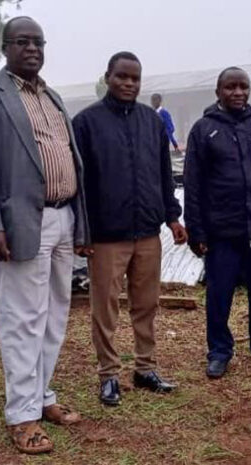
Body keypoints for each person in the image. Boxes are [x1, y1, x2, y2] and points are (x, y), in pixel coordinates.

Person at [0, 16, 90, 455]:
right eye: (22, 41)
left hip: (64, 218)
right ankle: (21, 414)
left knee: (54, 315)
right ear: (5, 47)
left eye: (38, 42)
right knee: (22, 320)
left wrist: (81, 222)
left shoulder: (52, 97)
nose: (31, 48)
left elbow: (70, 159)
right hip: (20, 224)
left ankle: (42, 395)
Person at [72, 51, 187, 407]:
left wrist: (172, 215)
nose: (129, 83)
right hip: (107, 236)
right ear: (107, 77)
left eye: (135, 78)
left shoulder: (151, 122)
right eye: (122, 76)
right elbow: (79, 182)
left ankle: (145, 368)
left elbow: (163, 175)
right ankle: (108, 375)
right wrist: (83, 231)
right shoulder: (86, 123)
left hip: (148, 233)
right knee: (105, 308)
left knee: (146, 304)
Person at [183, 67, 251, 379]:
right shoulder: (204, 130)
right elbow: (193, 185)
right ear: (218, 91)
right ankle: (219, 352)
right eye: (230, 87)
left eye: (243, 87)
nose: (238, 93)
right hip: (222, 233)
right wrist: (197, 231)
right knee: (219, 296)